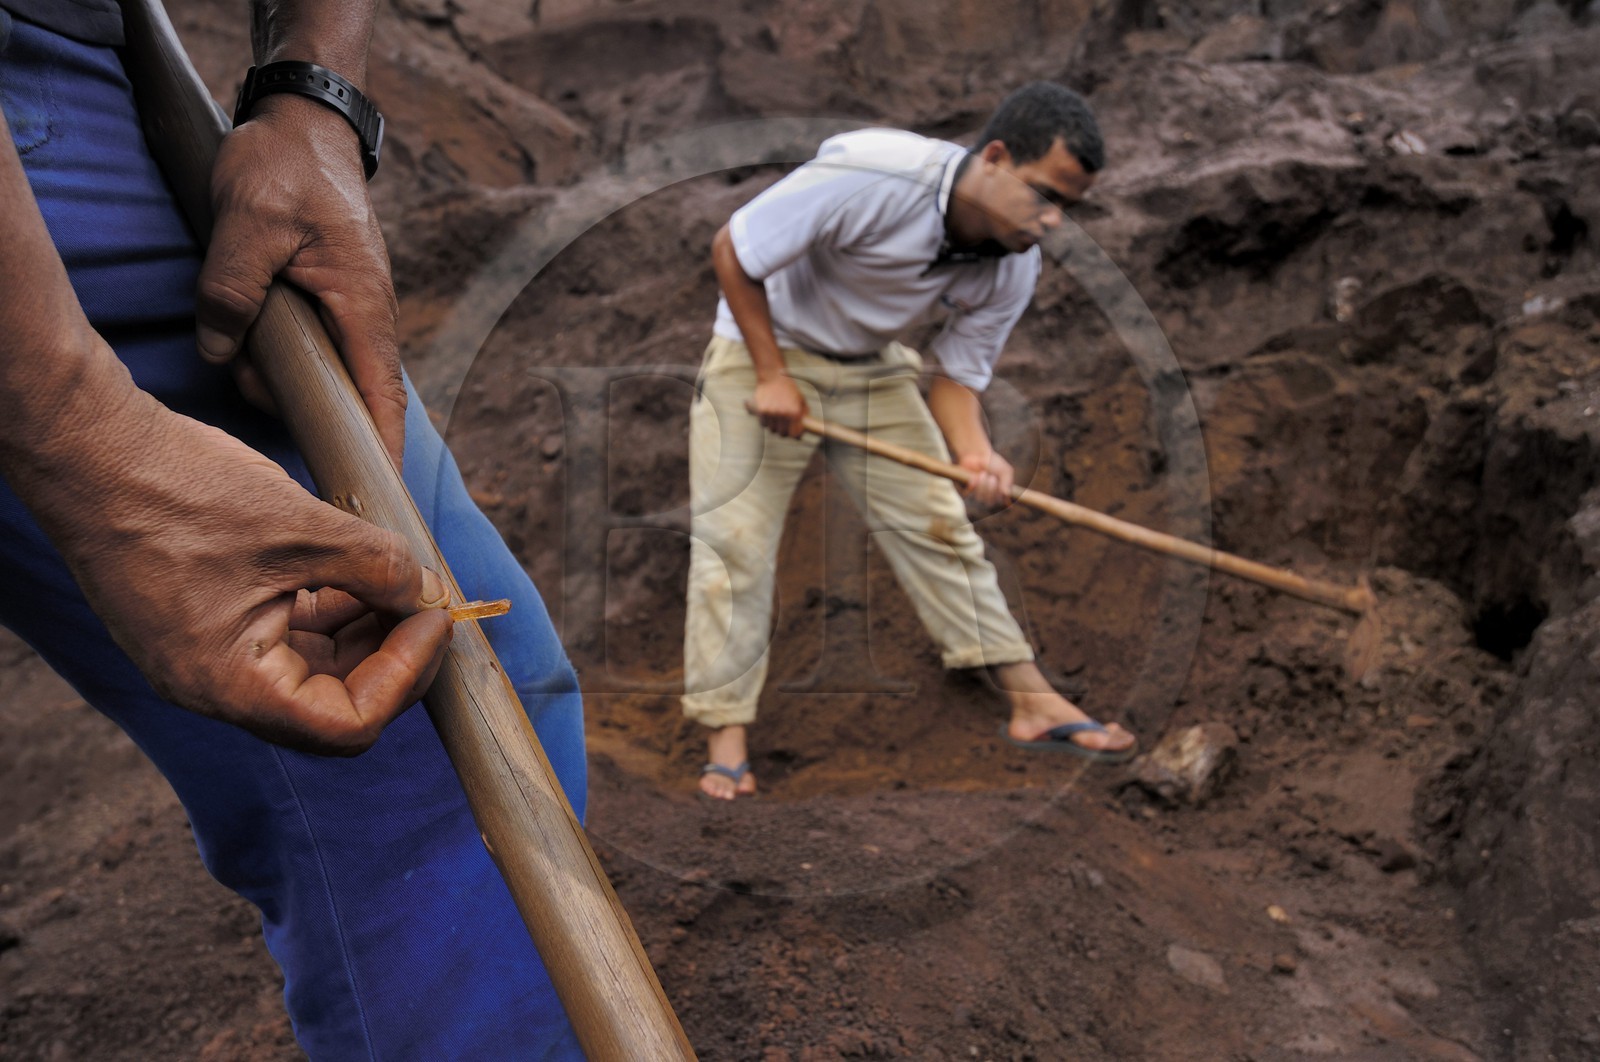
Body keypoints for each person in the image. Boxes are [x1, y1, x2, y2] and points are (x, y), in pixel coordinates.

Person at [0, 2, 586, 1056]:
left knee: (455, 707)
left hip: (68, 69)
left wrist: (314, 97)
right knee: (420, 744)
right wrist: (72, 425)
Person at [683, 81, 1139, 800]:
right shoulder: (874, 175)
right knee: (732, 545)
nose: (1053, 221)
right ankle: (725, 739)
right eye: (1044, 195)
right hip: (760, 351)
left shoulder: (1014, 264)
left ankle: (1031, 702)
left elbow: (956, 378)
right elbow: (734, 251)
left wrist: (975, 454)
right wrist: (772, 376)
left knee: (939, 525)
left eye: (1067, 208)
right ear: (995, 157)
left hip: (872, 370)